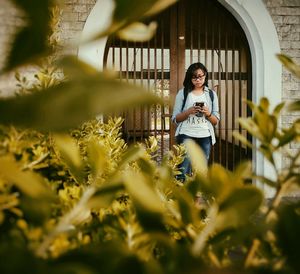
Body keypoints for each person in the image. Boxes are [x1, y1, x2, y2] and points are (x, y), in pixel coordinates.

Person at [172, 62, 220, 182]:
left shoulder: (211, 95)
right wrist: (188, 112)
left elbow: (216, 121)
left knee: (201, 172)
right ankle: (182, 198)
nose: (198, 79)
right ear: (190, 77)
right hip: (186, 134)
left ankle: (196, 201)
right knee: (182, 170)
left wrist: (208, 113)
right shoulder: (182, 93)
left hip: (205, 136)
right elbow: (175, 119)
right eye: (194, 77)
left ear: (205, 76)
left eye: (201, 76)